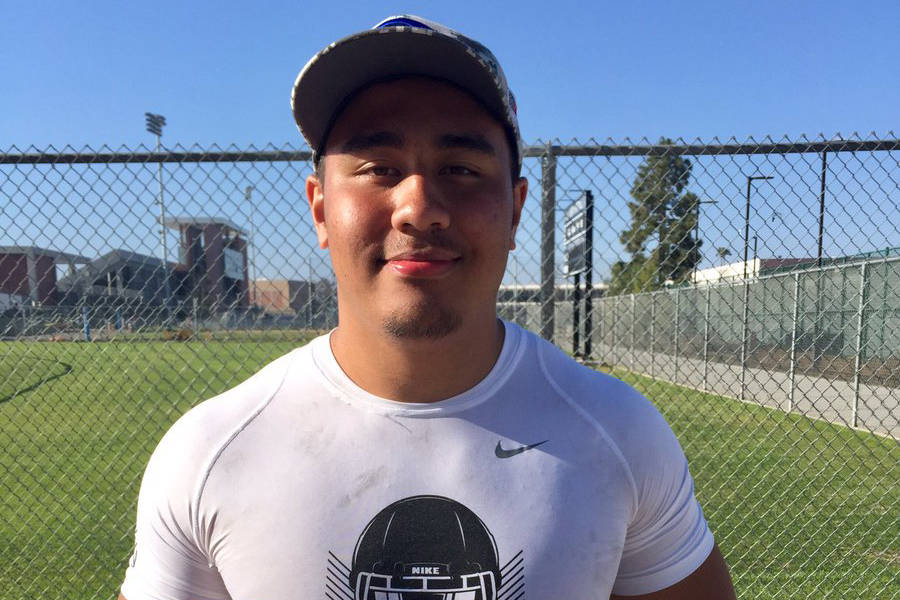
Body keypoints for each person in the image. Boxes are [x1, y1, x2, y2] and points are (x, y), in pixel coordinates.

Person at [119, 15, 736, 600]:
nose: (419, 206)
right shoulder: (209, 454)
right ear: (319, 208)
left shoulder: (619, 433)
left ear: (516, 210)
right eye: (379, 168)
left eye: (461, 167)